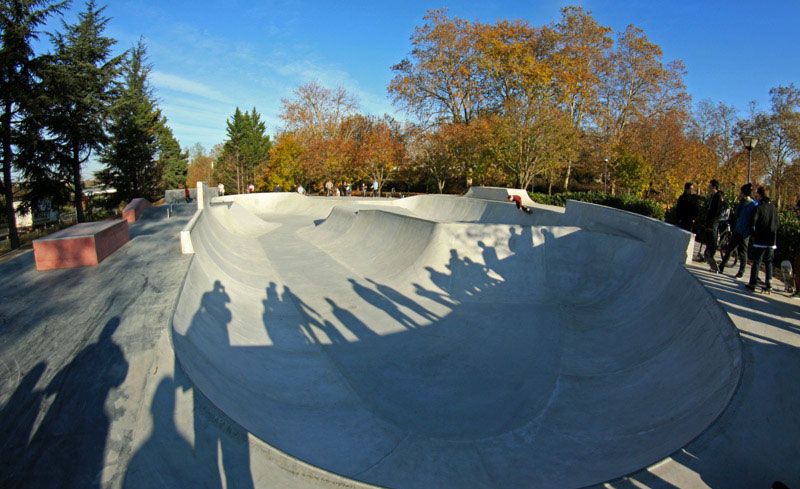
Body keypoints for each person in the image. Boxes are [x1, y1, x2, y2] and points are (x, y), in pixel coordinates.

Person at [719, 183, 758, 278]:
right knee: (730, 249)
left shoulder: (754, 205)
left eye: (741, 193)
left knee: (743, 252)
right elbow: (736, 214)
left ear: (744, 194)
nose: (740, 194)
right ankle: (721, 266)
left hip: (745, 232)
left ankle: (741, 271)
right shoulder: (743, 203)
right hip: (738, 229)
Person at [746, 186, 778, 293]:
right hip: (771, 240)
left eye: (757, 195)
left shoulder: (759, 207)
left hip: (760, 240)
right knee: (769, 262)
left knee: (757, 262)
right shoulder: (773, 207)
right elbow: (777, 223)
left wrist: (754, 234)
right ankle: (769, 284)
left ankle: (752, 283)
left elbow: (752, 223)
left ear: (759, 195)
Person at [703, 179, 726, 272]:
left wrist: (712, 222)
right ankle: (709, 258)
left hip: (713, 223)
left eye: (710, 186)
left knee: (712, 242)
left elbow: (718, 211)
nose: (708, 187)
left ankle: (713, 263)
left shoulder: (718, 197)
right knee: (709, 242)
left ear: (714, 187)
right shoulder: (713, 196)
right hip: (709, 223)